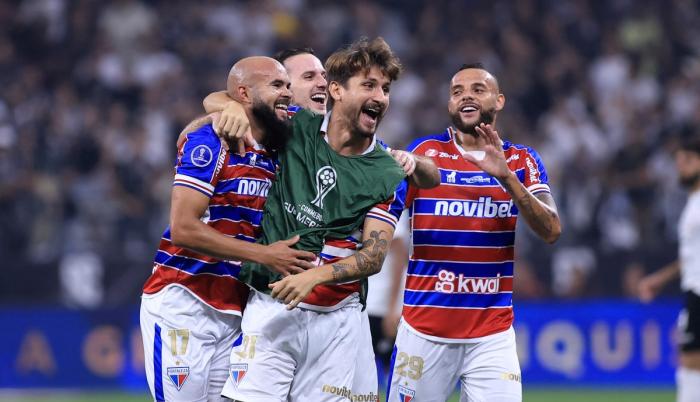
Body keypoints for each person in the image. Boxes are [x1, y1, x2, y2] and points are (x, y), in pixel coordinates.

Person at [198, 44, 438, 401]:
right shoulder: (296, 126)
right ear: (337, 91)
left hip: (334, 320)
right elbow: (222, 100)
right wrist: (230, 105)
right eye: (369, 86)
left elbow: (374, 257)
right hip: (270, 306)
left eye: (385, 90)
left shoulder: (389, 171)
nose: (381, 97)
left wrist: (314, 276)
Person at [139, 56, 317, 402]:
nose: (288, 94)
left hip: (236, 307)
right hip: (185, 298)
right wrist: (264, 255)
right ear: (244, 94)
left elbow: (334, 124)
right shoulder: (210, 140)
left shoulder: (282, 141)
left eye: (288, 86)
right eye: (278, 85)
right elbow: (183, 229)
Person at [387, 63, 561, 402]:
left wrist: (507, 178)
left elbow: (552, 229)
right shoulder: (423, 154)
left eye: (477, 89)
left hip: (491, 336)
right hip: (424, 332)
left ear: (499, 101)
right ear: (450, 105)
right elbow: (385, 221)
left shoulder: (521, 160)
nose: (466, 95)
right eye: (457, 91)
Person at [638, 134, 700, 402]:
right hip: (693, 288)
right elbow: (692, 256)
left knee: (690, 359)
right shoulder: (693, 203)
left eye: (687, 160)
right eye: (678, 161)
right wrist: (660, 279)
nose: (680, 166)